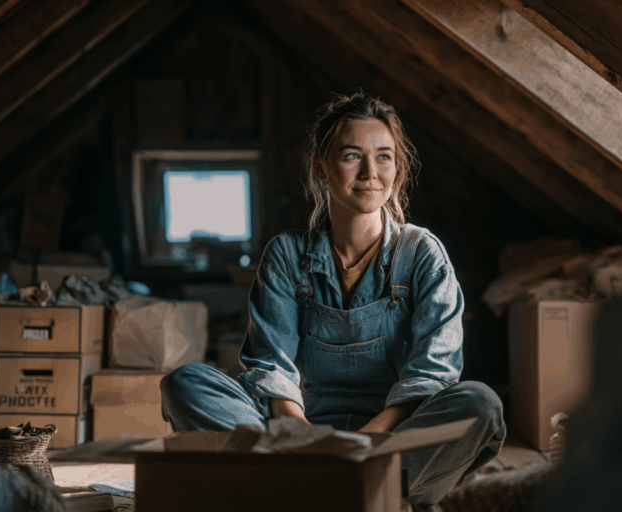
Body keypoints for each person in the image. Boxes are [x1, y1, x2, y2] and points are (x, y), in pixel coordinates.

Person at [160, 92, 506, 511]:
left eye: (383, 157)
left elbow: (431, 374)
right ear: (320, 167)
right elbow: (272, 368)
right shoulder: (286, 255)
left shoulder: (422, 254)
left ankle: (304, 495)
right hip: (299, 444)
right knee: (186, 384)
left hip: (392, 444)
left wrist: (361, 444)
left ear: (397, 169)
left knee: (480, 405)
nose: (370, 172)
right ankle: (344, 495)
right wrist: (308, 442)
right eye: (351, 156)